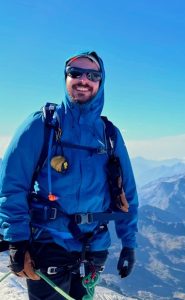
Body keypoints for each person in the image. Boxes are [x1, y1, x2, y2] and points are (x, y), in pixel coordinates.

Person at [0, 51, 139, 299]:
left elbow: (126, 192)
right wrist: (17, 242)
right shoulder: (40, 126)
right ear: (65, 79)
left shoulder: (109, 135)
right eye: (75, 73)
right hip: (48, 243)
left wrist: (129, 243)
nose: (83, 80)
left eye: (92, 75)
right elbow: (12, 187)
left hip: (94, 246)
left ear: (100, 82)